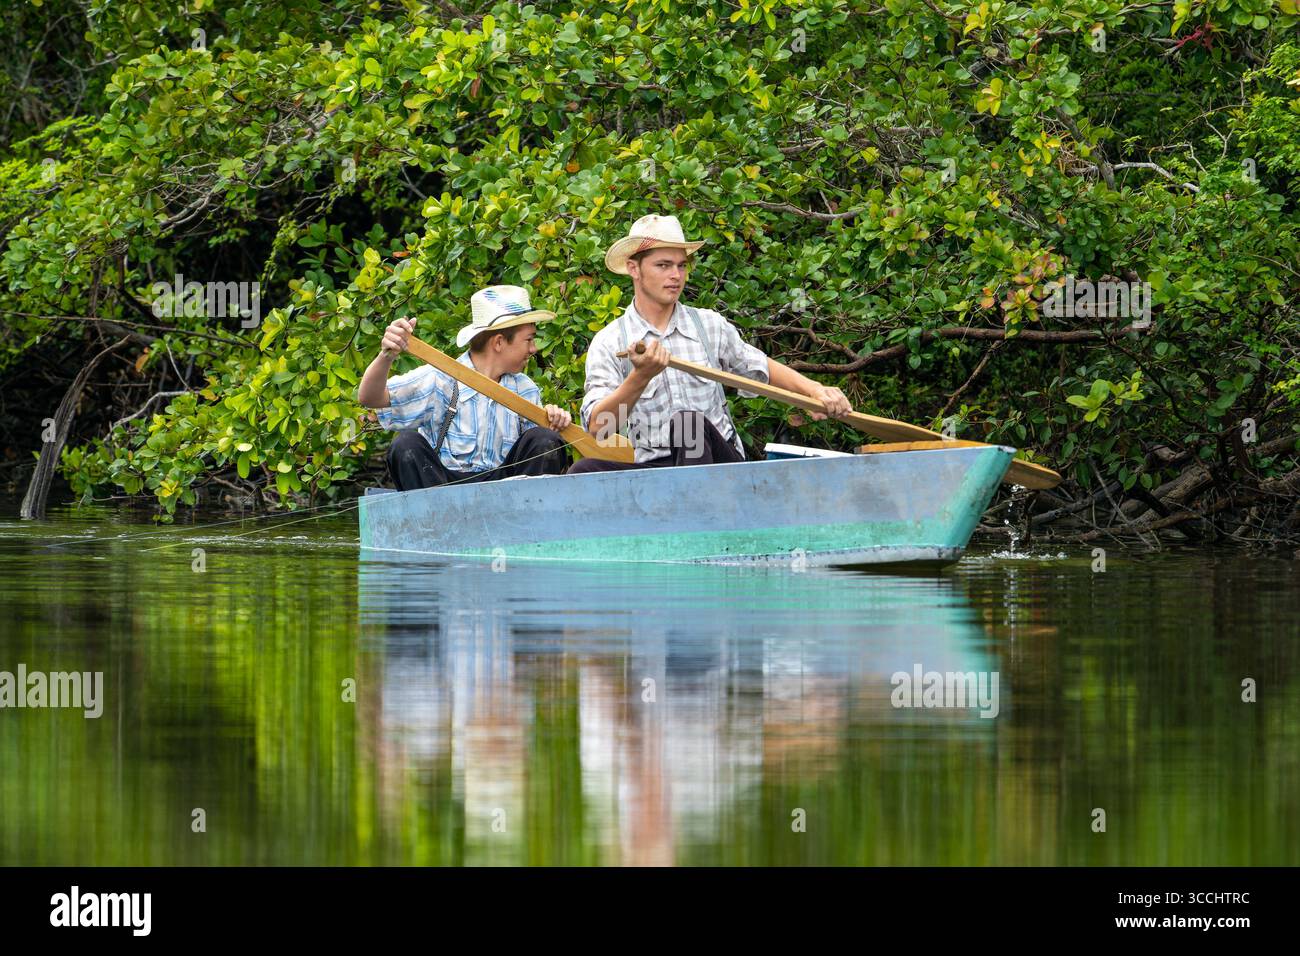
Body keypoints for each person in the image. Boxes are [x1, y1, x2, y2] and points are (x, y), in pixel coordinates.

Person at [569, 214, 853, 475]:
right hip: (658, 472)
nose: (676, 276)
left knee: (687, 425)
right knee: (582, 472)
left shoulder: (708, 325)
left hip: (719, 468)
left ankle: (698, 517)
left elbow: (760, 368)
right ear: (634, 268)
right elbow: (600, 429)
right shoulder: (610, 341)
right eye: (663, 265)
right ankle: (683, 503)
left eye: (681, 266)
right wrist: (639, 377)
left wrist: (815, 391)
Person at [357, 284, 574, 490]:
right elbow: (370, 398)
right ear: (498, 342)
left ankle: (524, 522)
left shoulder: (525, 388)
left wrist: (554, 423)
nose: (534, 348)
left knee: (545, 439)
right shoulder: (440, 379)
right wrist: (386, 355)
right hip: (441, 491)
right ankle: (434, 522)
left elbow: (537, 452)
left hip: (509, 495)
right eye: (529, 340)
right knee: (405, 444)